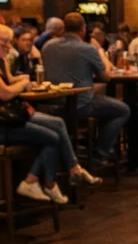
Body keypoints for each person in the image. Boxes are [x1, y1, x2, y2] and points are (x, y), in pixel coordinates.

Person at [0, 24, 100, 204]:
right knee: (52, 137)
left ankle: (46, 181)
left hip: (5, 121)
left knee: (56, 129)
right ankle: (45, 181)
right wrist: (22, 84)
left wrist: (23, 79)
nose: (8, 46)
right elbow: (4, 93)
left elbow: (9, 81)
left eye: (9, 42)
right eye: (4, 42)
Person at [40, 13, 131, 169]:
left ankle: (85, 146)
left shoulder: (48, 46)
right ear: (83, 29)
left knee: (107, 108)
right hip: (81, 103)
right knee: (122, 110)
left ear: (63, 28)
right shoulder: (87, 48)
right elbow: (105, 77)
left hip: (52, 105)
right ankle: (99, 153)